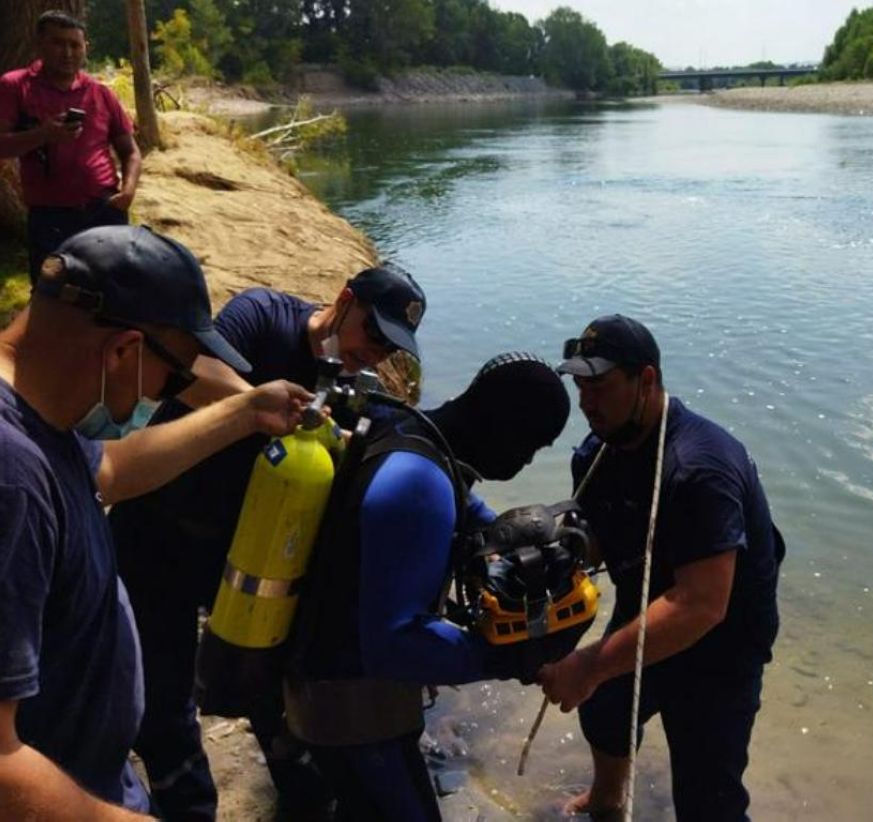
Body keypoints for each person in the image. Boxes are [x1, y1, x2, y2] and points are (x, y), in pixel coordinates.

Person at [0, 225, 310, 819]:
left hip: (90, 778)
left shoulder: (42, 409)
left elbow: (109, 470)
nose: (172, 391)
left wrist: (246, 411)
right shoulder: (11, 478)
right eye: (177, 376)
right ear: (122, 351)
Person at [107, 264, 428, 820]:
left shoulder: (352, 389)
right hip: (154, 529)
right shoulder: (262, 316)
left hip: (241, 549)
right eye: (372, 333)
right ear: (344, 300)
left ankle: (304, 797)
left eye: (388, 348)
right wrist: (260, 406)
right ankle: (190, 807)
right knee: (164, 699)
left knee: (269, 685)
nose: (374, 353)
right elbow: (192, 368)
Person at [287, 352, 572, 821]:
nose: (527, 462)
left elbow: (460, 501)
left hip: (320, 681)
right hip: (346, 708)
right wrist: (508, 657)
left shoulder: (409, 428)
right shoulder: (418, 485)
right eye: (531, 446)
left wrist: (500, 536)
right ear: (503, 426)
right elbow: (395, 645)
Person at [539, 315, 785, 821]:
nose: (586, 402)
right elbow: (597, 539)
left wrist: (588, 665)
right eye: (580, 386)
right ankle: (608, 800)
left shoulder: (700, 468)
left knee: (708, 799)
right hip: (647, 601)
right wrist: (547, 565)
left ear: (645, 380)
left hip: (723, 645)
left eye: (599, 386)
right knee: (605, 710)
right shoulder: (597, 452)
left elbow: (701, 605)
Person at [0, 11, 141, 283]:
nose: (67, 52)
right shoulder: (16, 86)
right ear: (39, 44)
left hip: (104, 209)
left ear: (86, 48)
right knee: (50, 294)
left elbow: (130, 151)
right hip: (50, 216)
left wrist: (128, 190)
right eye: (58, 43)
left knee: (113, 293)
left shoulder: (100, 93)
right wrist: (43, 135)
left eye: (75, 45)